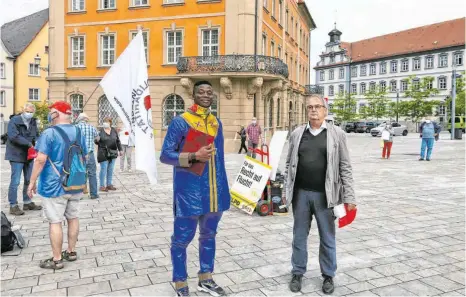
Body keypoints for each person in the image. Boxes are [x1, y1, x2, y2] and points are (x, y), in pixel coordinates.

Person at [160, 80, 230, 297]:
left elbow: (220, 160)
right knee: (181, 240)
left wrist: (223, 188)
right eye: (202, 91)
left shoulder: (216, 122)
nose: (206, 95)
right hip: (189, 192)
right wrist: (192, 156)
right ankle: (180, 282)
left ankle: (206, 278)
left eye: (210, 92)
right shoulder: (180, 122)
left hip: (213, 192)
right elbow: (165, 155)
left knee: (209, 235)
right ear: (194, 94)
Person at [284, 94, 356, 295]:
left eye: (317, 107)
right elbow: (289, 164)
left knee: (327, 237)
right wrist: (285, 190)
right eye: (309, 107)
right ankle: (297, 272)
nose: (313, 110)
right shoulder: (298, 133)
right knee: (299, 236)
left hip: (326, 196)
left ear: (325, 110)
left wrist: (349, 197)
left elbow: (345, 167)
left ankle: (328, 275)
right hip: (301, 195)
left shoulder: (337, 134)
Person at [27, 101, 87, 269]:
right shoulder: (78, 131)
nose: (49, 114)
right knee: (73, 217)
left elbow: (40, 160)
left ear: (56, 114)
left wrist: (31, 182)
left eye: (51, 111)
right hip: (75, 182)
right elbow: (84, 156)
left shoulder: (49, 133)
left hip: (54, 186)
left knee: (55, 221)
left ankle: (57, 259)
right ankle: (71, 251)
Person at [5, 103, 42, 215]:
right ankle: (13, 205)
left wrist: (39, 142)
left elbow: (36, 134)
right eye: (28, 111)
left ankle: (27, 202)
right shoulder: (15, 120)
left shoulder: (33, 121)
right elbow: (13, 136)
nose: (29, 114)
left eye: (31, 112)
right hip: (16, 154)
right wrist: (29, 144)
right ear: (23, 110)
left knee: (28, 179)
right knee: (15, 181)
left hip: (29, 155)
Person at [76, 113, 100, 199]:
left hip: (78, 154)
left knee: (79, 174)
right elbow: (97, 139)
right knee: (92, 174)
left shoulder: (75, 128)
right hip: (90, 153)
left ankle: (79, 194)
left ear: (79, 119)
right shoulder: (92, 127)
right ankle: (94, 194)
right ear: (86, 119)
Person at [96, 118, 122, 192]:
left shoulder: (114, 131)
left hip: (113, 152)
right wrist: (96, 140)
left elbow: (118, 141)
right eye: (104, 122)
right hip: (103, 153)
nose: (105, 123)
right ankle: (101, 185)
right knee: (103, 169)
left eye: (107, 122)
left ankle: (109, 184)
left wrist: (120, 150)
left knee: (110, 169)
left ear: (110, 123)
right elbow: (96, 142)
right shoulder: (100, 131)